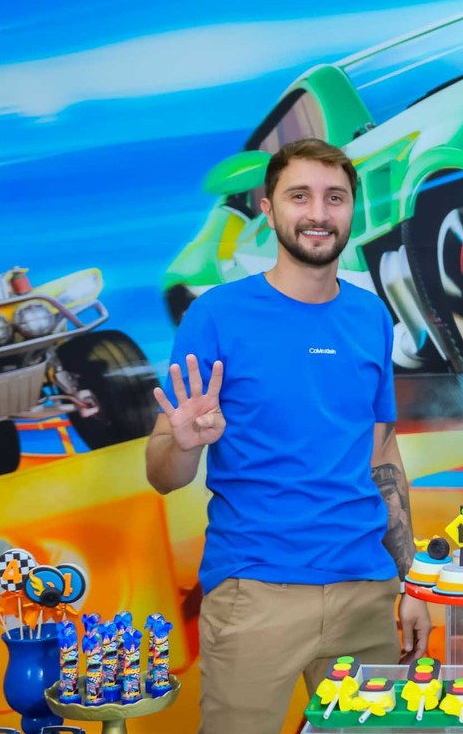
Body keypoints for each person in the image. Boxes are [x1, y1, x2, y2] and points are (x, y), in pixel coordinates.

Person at [145, 138, 431, 734]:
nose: (318, 213)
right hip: (254, 594)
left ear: (352, 210)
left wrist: (412, 583)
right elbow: (163, 475)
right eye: (299, 196)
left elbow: (381, 454)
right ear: (268, 210)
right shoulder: (215, 315)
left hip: (366, 593)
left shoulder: (370, 316)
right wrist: (184, 443)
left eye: (335, 198)